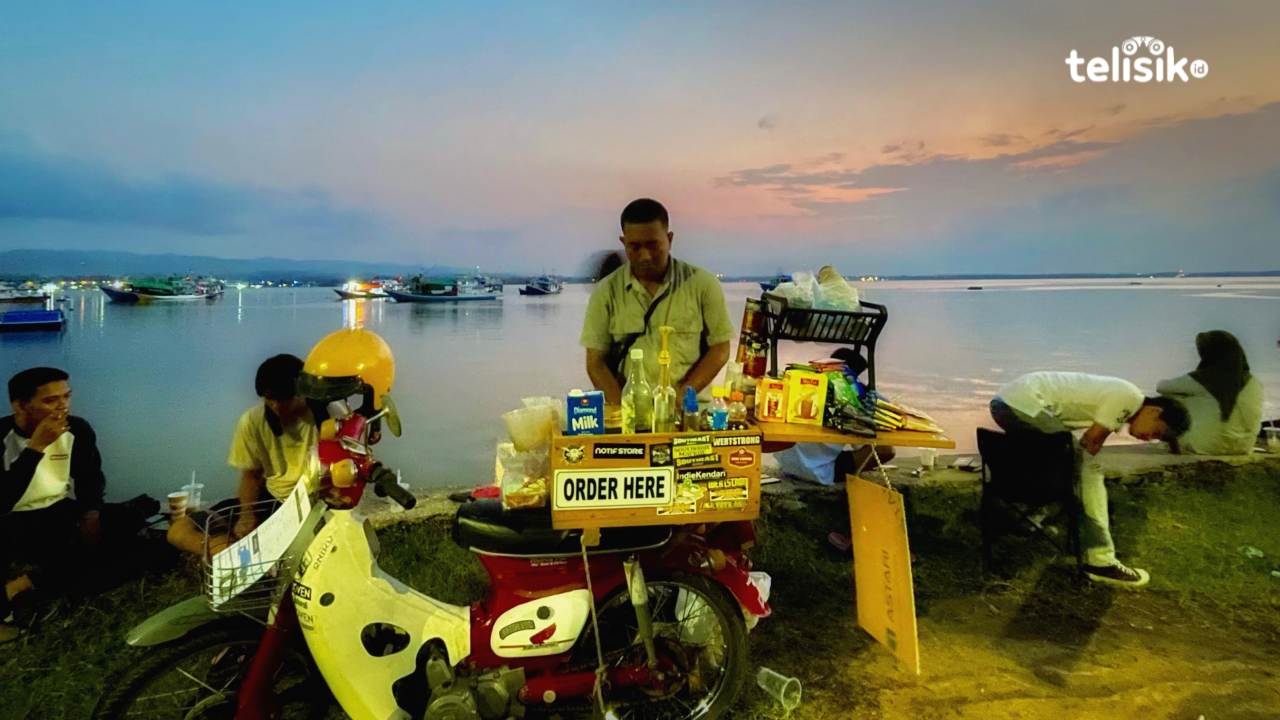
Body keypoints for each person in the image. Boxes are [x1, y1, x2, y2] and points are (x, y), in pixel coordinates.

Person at [989, 371, 1190, 588]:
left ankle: (1032, 517)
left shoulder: (1125, 399)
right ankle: (1100, 559)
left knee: (1076, 466)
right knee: (1090, 472)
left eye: (1156, 438)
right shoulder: (1130, 398)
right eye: (1156, 431)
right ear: (1154, 410)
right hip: (1023, 403)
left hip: (1013, 401)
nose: (1149, 438)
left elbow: (1086, 446)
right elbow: (1091, 440)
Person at [581, 198, 735, 404]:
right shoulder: (605, 292)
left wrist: (682, 397)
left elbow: (720, 349)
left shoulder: (703, 285)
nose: (645, 256)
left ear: (669, 239)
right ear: (623, 242)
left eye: (653, 245)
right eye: (634, 247)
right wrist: (623, 413)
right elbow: (595, 363)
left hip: (690, 414)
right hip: (630, 417)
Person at [167, 354, 320, 557]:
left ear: (301, 392)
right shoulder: (252, 421)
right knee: (178, 531)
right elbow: (251, 476)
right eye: (269, 399)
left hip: (311, 501)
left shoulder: (324, 417)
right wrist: (247, 515)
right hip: (273, 499)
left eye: (282, 399)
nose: (275, 405)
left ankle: (235, 555)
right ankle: (229, 552)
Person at [1, 368, 106, 641]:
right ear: (20, 405)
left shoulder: (77, 430)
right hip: (13, 518)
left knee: (128, 522)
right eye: (51, 400)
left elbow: (91, 479)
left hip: (58, 510)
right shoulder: (2, 436)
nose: (63, 406)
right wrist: (35, 448)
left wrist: (91, 512)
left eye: (67, 397)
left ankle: (24, 585)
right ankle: (29, 592)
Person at [1157, 330, 1263, 455]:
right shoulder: (1255, 382)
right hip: (1244, 447)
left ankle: (1166, 437)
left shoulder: (1204, 378)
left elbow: (1162, 387)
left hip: (1208, 446)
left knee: (1170, 399)